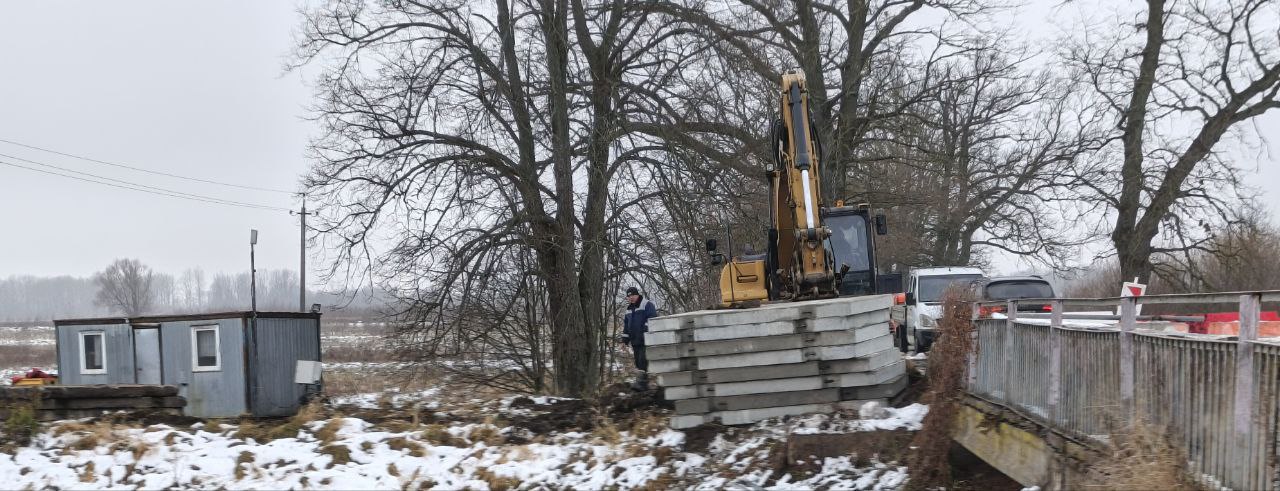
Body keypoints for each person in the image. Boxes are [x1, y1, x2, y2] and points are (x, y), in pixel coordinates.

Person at [620, 286, 658, 391]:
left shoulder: (647, 304)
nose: (631, 298)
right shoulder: (628, 310)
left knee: (643, 361)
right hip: (635, 341)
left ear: (637, 295)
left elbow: (652, 319)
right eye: (629, 296)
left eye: (632, 295)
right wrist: (624, 341)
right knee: (638, 362)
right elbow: (626, 327)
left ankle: (642, 384)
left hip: (646, 340)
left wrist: (644, 332)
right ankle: (643, 385)